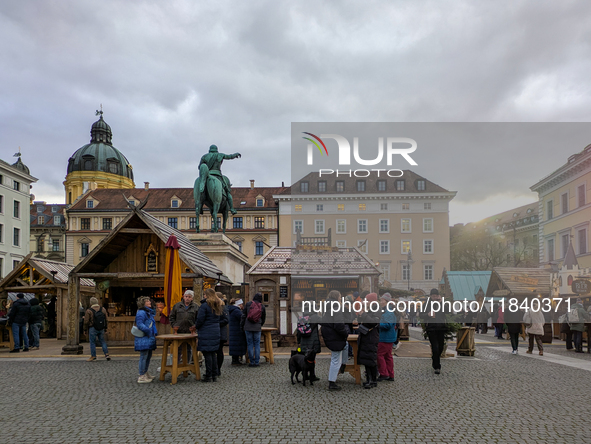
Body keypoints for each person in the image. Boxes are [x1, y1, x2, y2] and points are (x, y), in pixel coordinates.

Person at [197, 145, 241, 214]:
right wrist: (235, 155)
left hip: (208, 175)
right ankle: (232, 209)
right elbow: (229, 157)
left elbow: (200, 167)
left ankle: (200, 207)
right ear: (216, 150)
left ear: (210, 150)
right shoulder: (220, 155)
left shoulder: (204, 156)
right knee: (227, 191)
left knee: (201, 190)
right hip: (218, 175)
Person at [320, 290, 349, 391]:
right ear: (337, 297)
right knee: (336, 359)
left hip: (329, 335)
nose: (341, 298)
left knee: (340, 352)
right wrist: (345, 333)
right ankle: (332, 382)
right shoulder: (336, 307)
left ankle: (341, 368)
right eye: (340, 296)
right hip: (335, 336)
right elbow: (339, 325)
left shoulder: (327, 307)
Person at [196, 288, 222, 381]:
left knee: (207, 354)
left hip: (206, 331)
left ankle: (208, 375)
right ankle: (214, 374)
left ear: (206, 295)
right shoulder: (217, 305)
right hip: (215, 331)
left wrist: (196, 327)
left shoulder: (204, 306)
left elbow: (200, 319)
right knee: (213, 354)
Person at [421, 288, 447, 374]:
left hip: (441, 328)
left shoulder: (441, 303)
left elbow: (448, 311)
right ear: (430, 296)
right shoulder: (427, 304)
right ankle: (437, 366)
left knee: (441, 347)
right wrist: (428, 315)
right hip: (431, 328)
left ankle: (435, 358)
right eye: (433, 296)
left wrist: (441, 302)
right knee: (435, 347)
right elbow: (421, 314)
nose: (434, 297)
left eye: (436, 296)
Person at [169, 289, 199, 363]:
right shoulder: (177, 306)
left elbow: (198, 318)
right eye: (186, 296)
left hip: (190, 331)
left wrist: (195, 327)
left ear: (192, 298)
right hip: (179, 331)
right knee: (178, 349)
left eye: (189, 297)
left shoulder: (196, 307)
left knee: (188, 349)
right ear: (183, 297)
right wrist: (174, 325)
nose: (187, 298)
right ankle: (177, 364)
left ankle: (187, 364)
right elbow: (171, 317)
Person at [135, 296, 158, 383]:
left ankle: (145, 372)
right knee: (144, 356)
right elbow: (140, 324)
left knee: (148, 355)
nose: (149, 302)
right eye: (147, 301)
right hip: (144, 337)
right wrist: (148, 331)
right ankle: (141, 375)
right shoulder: (141, 313)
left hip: (148, 336)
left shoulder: (148, 312)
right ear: (143, 303)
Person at [240, 292, 266, 367]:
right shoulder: (262, 306)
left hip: (248, 326)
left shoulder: (248, 304)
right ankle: (257, 362)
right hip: (257, 327)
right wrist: (260, 324)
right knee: (257, 344)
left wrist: (242, 326)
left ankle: (251, 362)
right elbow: (263, 318)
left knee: (250, 344)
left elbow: (243, 316)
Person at [296, 309, 322, 382]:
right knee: (312, 359)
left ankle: (305, 375)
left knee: (304, 358)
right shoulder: (315, 317)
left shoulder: (302, 317)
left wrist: (298, 341)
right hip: (312, 342)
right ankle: (312, 376)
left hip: (303, 341)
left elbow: (298, 330)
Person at [377, 293, 397, 381]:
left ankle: (384, 373)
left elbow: (388, 325)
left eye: (382, 300)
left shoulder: (388, 311)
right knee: (388, 356)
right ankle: (390, 374)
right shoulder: (387, 310)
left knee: (379, 355)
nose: (380, 302)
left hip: (385, 337)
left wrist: (377, 324)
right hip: (388, 337)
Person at [83, 297, 110, 362]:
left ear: (91, 303)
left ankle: (93, 356)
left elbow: (86, 321)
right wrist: (105, 328)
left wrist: (85, 329)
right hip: (101, 328)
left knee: (92, 342)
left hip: (92, 328)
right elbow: (106, 319)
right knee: (102, 341)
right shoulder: (103, 309)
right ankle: (106, 354)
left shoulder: (89, 311)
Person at [228, 298, 247, 365]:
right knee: (237, 345)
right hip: (237, 330)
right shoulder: (237, 311)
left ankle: (235, 359)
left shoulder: (232, 310)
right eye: (241, 304)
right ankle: (235, 360)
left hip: (233, 330)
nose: (242, 305)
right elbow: (242, 318)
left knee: (234, 345)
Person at [216, 292, 229, 375]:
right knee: (219, 351)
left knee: (219, 350)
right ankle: (217, 369)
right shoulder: (223, 306)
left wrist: (216, 323)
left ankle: (218, 369)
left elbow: (226, 319)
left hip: (220, 331)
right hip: (220, 331)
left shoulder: (222, 306)